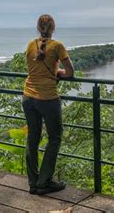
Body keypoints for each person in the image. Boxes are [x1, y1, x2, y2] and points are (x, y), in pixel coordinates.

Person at [23, 14, 75, 195]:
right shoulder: (57, 46)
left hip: (28, 96)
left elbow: (32, 69)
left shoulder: (30, 45)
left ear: (38, 28)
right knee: (54, 138)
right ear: (53, 28)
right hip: (47, 98)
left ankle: (33, 182)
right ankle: (44, 182)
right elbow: (69, 72)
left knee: (32, 139)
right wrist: (57, 72)